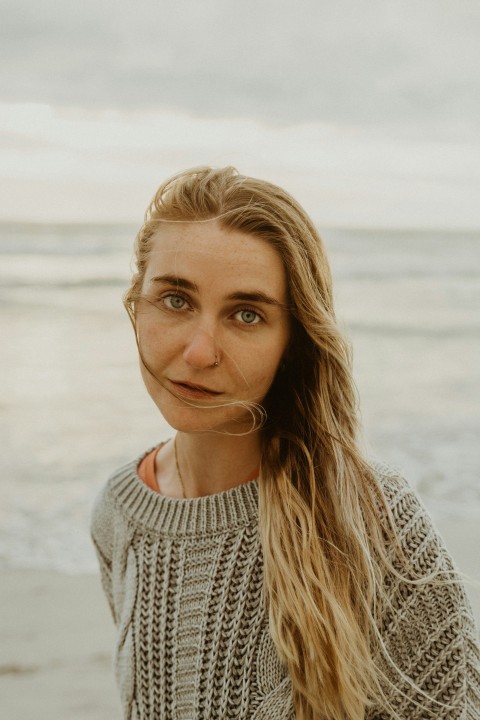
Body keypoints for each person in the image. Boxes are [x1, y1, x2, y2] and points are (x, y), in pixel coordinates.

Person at [91, 166, 480, 720]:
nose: (200, 351)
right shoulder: (119, 512)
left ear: (291, 342)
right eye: (175, 300)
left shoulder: (371, 518)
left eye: (246, 314)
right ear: (137, 303)